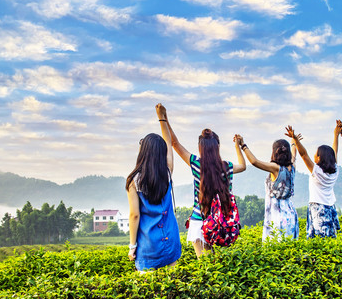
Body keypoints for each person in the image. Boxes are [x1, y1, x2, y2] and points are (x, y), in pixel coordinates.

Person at [163, 108, 246, 257]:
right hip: (219, 222)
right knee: (213, 265)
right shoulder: (226, 167)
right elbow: (243, 166)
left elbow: (175, 144)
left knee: (206, 268)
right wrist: (238, 146)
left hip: (199, 221)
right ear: (218, 146)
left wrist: (164, 118)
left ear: (200, 148)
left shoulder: (196, 164)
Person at [126, 103, 181, 271]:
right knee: (172, 287)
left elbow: (134, 216)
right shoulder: (167, 172)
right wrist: (162, 117)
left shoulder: (133, 181)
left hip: (148, 247)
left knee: (149, 292)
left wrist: (132, 246)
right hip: (171, 241)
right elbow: (168, 143)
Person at [236, 135, 299, 241]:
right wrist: (294, 142)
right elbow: (294, 154)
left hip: (276, 216)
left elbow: (255, 162)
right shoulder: (292, 167)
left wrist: (243, 145)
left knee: (274, 248)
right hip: (290, 214)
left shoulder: (275, 168)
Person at [285, 123, 342, 238]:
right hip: (330, 207)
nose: (314, 155)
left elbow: (303, 154)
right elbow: (334, 151)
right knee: (329, 237)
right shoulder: (335, 170)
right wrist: (336, 135)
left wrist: (295, 139)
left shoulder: (317, 172)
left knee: (318, 238)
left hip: (317, 207)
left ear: (320, 158)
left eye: (316, 154)